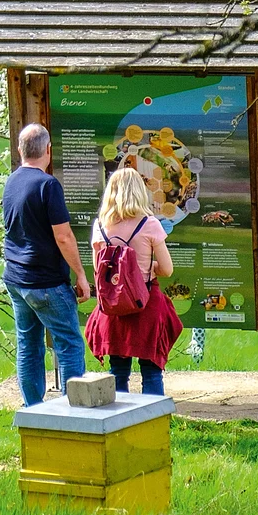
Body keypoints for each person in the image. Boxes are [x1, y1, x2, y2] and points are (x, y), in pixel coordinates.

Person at [2, 122, 89, 406]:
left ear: (20, 150)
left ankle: (33, 410)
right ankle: (74, 412)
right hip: (47, 283)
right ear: (49, 150)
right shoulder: (48, 185)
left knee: (28, 345)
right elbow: (63, 236)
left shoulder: (12, 181)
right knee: (69, 343)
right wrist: (80, 274)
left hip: (16, 279)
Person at [84, 166, 183, 394]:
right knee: (151, 370)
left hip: (113, 309)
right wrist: (144, 268)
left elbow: (98, 270)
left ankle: (120, 425)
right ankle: (153, 422)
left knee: (118, 370)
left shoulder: (100, 226)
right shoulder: (149, 225)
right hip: (145, 305)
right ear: (140, 192)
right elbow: (167, 269)